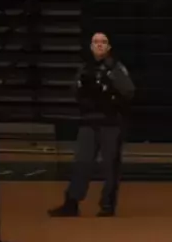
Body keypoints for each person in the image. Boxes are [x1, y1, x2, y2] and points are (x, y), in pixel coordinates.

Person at [48, 31, 135, 218]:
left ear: (109, 46)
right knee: (81, 162)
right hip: (88, 121)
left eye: (103, 42)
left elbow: (129, 92)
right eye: (96, 42)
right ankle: (72, 202)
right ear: (90, 46)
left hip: (111, 123)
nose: (99, 45)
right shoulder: (84, 69)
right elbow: (75, 91)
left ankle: (107, 205)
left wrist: (110, 88)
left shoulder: (116, 68)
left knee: (110, 165)